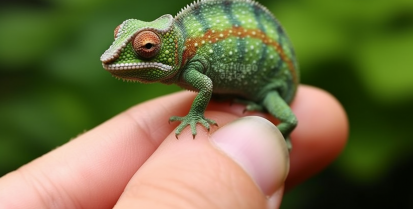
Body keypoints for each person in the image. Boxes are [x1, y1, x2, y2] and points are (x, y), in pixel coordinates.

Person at [0, 85, 347, 209]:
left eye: (147, 48)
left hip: (274, 83)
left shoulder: (193, 66)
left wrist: (196, 114)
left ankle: (279, 133)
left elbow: (205, 85)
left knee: (292, 119)